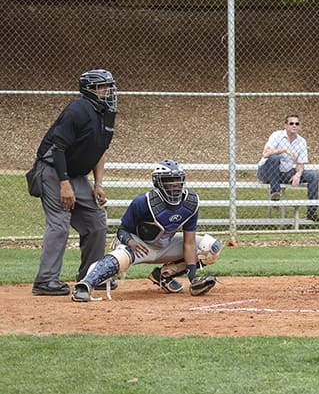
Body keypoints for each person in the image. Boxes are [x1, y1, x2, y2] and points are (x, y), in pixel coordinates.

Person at [71, 159, 223, 302]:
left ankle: (164, 276)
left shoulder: (190, 203)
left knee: (211, 247)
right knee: (120, 256)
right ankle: (85, 285)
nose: (175, 185)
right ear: (158, 182)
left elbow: (189, 244)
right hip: (139, 245)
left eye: (177, 180)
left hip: (165, 244)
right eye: (169, 181)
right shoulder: (143, 202)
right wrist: (131, 243)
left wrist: (193, 279)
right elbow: (122, 231)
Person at [31, 69, 118, 296]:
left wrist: (98, 184)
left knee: (96, 222)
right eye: (102, 87)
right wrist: (64, 183)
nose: (108, 91)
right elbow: (58, 148)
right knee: (60, 224)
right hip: (52, 170)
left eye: (109, 87)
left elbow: (100, 151)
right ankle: (45, 281)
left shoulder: (107, 114)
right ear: (89, 90)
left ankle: (92, 276)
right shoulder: (77, 110)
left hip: (77, 176)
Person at [257, 114, 319, 222]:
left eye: (297, 124)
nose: (294, 126)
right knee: (274, 158)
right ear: (285, 125)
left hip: (284, 173)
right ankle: (275, 193)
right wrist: (284, 150)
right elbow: (265, 153)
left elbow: (300, 164)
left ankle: (312, 212)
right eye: (291, 123)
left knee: (313, 175)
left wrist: (298, 174)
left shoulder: (301, 141)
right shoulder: (276, 135)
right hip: (266, 172)